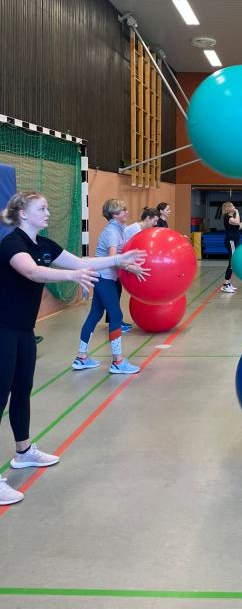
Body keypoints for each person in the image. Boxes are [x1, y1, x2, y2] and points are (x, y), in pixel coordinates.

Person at [0, 191, 144, 506]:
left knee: (22, 391)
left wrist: (117, 260)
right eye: (42, 208)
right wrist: (72, 275)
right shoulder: (12, 244)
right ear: (23, 213)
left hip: (24, 330)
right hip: (3, 330)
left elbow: (81, 262)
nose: (48, 212)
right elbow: (32, 271)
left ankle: (23, 452)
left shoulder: (43, 244)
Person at [73, 199, 149, 375]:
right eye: (123, 210)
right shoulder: (112, 233)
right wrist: (131, 268)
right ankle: (117, 361)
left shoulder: (120, 229)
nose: (126, 212)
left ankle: (81, 357)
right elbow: (114, 259)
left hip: (106, 277)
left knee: (95, 314)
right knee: (116, 315)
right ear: (114, 215)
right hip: (103, 278)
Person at [221, 201, 242, 293]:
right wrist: (237, 212)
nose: (234, 207)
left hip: (235, 241)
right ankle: (225, 285)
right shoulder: (228, 217)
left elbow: (238, 226)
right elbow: (237, 222)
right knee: (232, 263)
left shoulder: (231, 219)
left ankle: (228, 283)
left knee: (232, 262)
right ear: (228, 208)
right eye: (232, 206)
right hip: (231, 242)